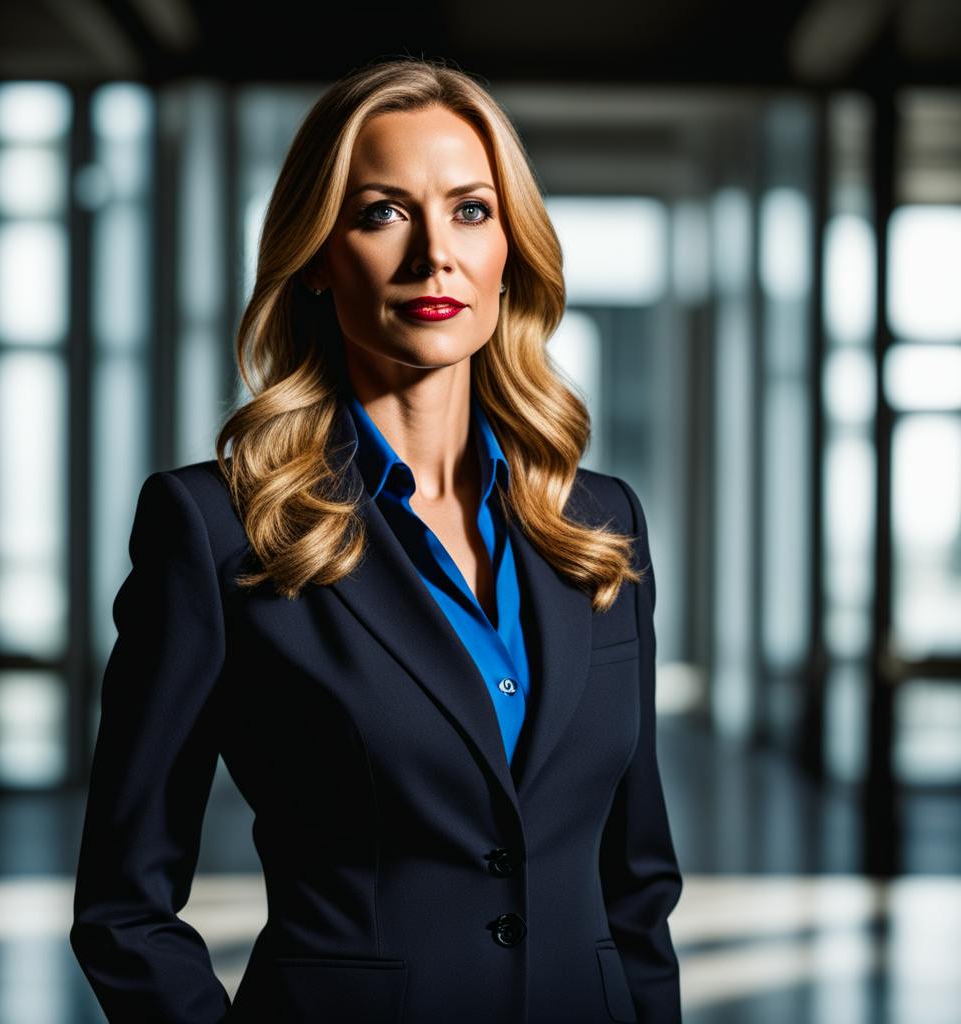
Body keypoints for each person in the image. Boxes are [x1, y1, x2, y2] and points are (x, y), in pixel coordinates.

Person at [70, 56, 683, 1023]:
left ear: (510, 249)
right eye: (382, 212)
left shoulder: (598, 524)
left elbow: (637, 888)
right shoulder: (218, 529)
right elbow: (123, 907)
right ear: (317, 255)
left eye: (471, 211)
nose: (434, 254)